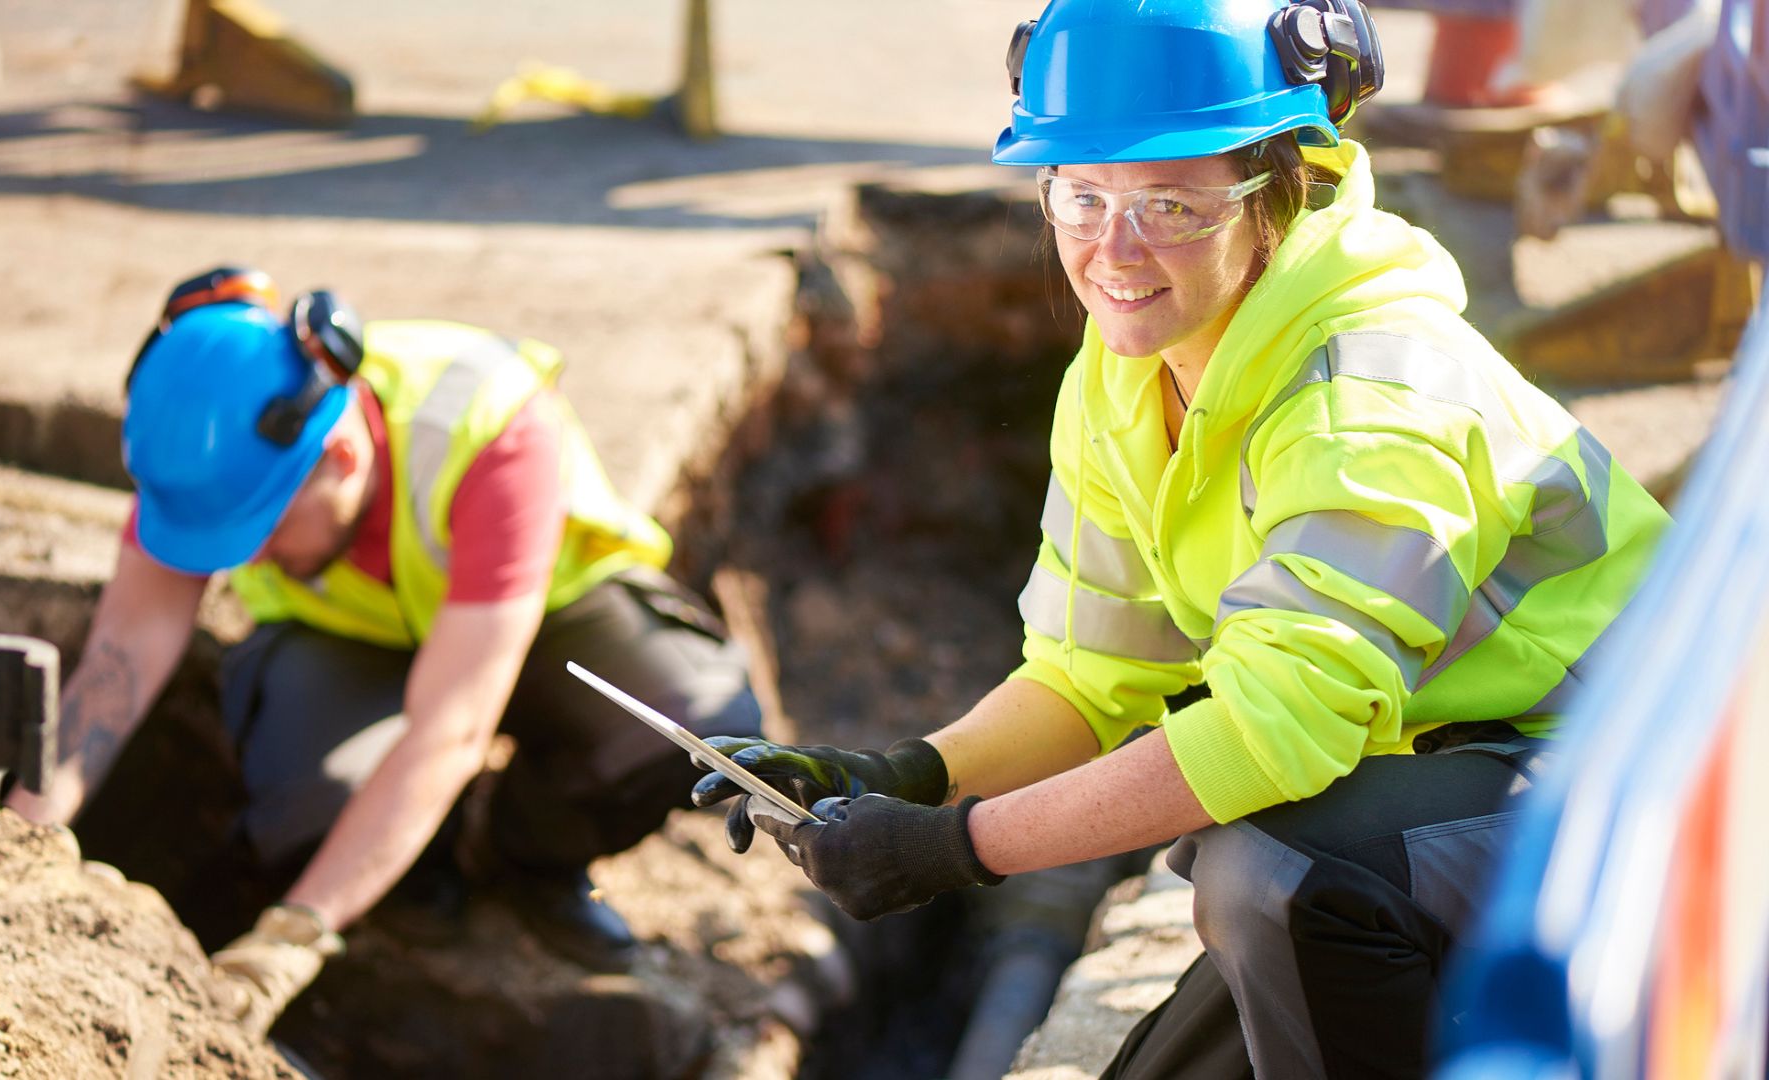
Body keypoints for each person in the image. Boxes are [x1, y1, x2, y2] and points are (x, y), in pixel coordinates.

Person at [691, 1, 1671, 1076]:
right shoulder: (1128, 372)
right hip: (1442, 796)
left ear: (1281, 190)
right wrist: (910, 773)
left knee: (1271, 874)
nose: (1115, 249)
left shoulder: (1373, 394)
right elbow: (1089, 675)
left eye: (1172, 204)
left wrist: (956, 850)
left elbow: (1270, 736)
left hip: (1649, 800)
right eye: (1082, 193)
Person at [6, 267, 761, 1036]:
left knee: (688, 723)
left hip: (540, 627)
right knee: (309, 796)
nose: (248, 558)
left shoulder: (486, 424)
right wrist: (17, 843)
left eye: (259, 533)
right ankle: (412, 877)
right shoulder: (210, 455)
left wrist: (294, 933)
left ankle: (523, 855)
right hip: (353, 643)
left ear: (336, 455)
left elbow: (451, 729)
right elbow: (120, 657)